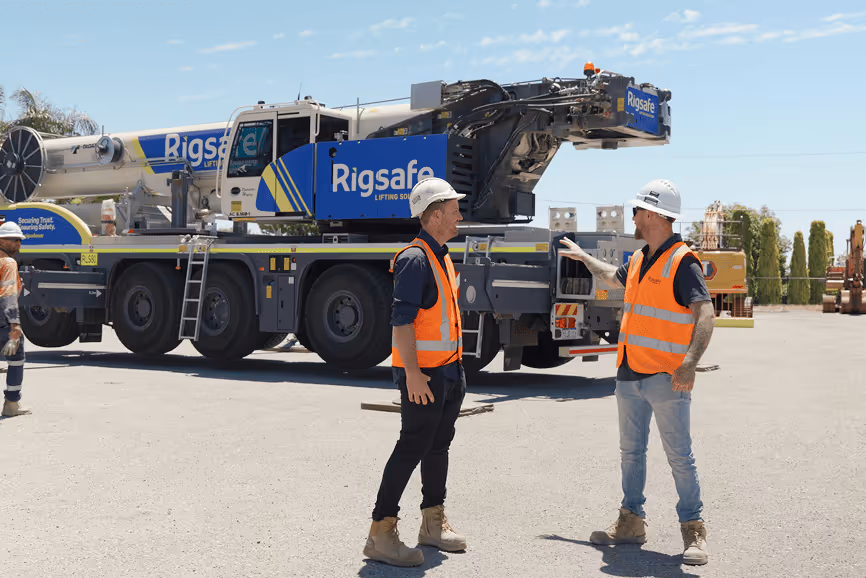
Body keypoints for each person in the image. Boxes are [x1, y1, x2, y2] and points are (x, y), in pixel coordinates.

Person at [559, 180, 715, 566]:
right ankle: (631, 522)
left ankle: (693, 529)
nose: (633, 217)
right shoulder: (642, 257)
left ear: (652, 215)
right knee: (631, 453)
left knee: (680, 456)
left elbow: (706, 314)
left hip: (666, 376)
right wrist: (583, 257)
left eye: (637, 211)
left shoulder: (683, 262)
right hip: (628, 373)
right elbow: (614, 276)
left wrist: (690, 362)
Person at [364, 177, 468, 568]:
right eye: (454, 210)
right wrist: (412, 374)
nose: (460, 216)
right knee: (412, 447)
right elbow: (401, 323)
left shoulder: (441, 255)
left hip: (447, 372)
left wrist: (455, 371)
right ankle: (380, 533)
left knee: (438, 446)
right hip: (422, 376)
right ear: (436, 215)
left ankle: (432, 524)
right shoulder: (414, 259)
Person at [0, 221, 30, 418]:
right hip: (2, 321)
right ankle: (11, 404)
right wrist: (15, 325)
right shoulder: (8, 263)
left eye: (19, 240)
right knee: (16, 359)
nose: (18, 243)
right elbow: (8, 296)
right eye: (14, 239)